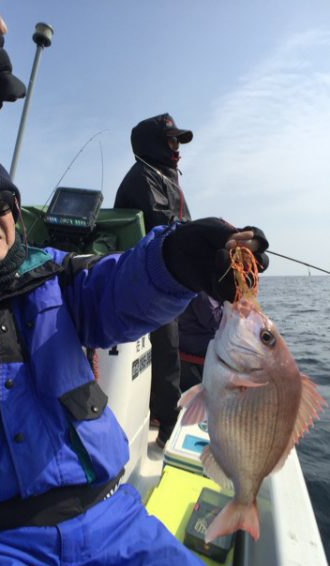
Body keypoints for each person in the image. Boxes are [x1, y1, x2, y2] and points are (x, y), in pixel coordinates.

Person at [0, 1, 269, 566]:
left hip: (116, 524)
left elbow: (120, 288)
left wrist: (176, 260)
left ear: (17, 214)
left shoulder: (59, 279)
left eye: (0, 203)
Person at [114, 113, 193, 448]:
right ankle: (168, 425)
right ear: (154, 143)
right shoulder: (145, 178)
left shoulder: (163, 175)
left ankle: (164, 412)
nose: (177, 148)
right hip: (147, 284)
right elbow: (166, 227)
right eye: (171, 140)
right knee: (166, 350)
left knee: (171, 351)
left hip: (163, 279)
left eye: (178, 141)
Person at [178, 291, 223, 392]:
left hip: (188, 350)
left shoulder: (192, 283)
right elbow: (214, 320)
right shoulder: (201, 290)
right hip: (198, 357)